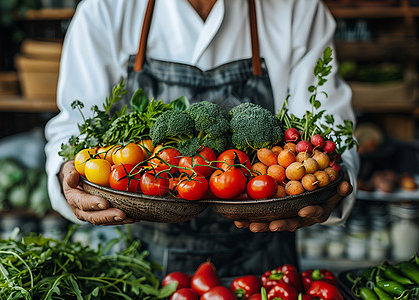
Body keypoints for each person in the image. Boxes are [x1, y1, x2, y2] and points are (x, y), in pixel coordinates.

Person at [45, 0, 359, 277]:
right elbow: (74, 129)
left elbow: (328, 135)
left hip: (263, 258)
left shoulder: (299, 9)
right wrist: (66, 173)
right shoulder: (105, 9)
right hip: (132, 258)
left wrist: (331, 186)